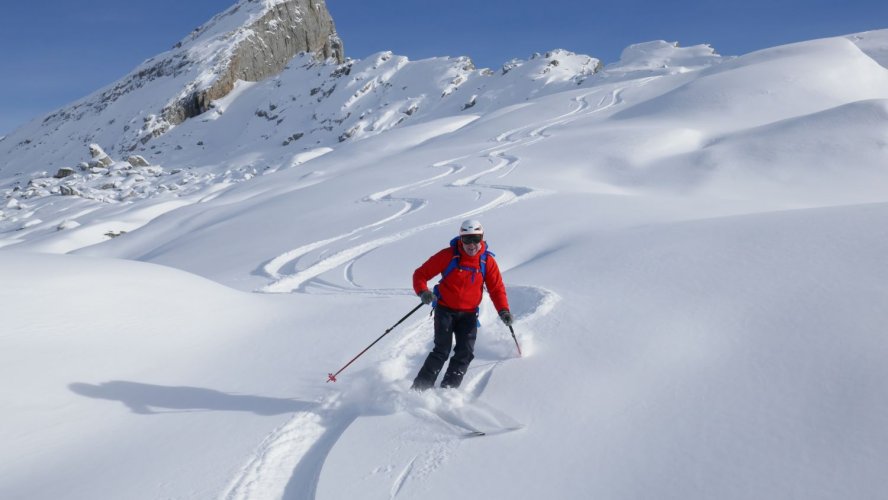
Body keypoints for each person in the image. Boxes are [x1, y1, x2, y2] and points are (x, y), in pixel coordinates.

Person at [411, 219, 513, 390]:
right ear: (460, 239)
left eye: (476, 239)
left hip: (469, 314)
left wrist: (503, 310)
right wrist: (423, 291)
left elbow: (496, 289)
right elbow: (420, 274)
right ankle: (419, 388)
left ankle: (448, 389)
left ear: (482, 238)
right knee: (441, 350)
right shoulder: (448, 255)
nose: (471, 244)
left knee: (465, 352)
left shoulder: (487, 262)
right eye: (467, 239)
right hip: (445, 310)